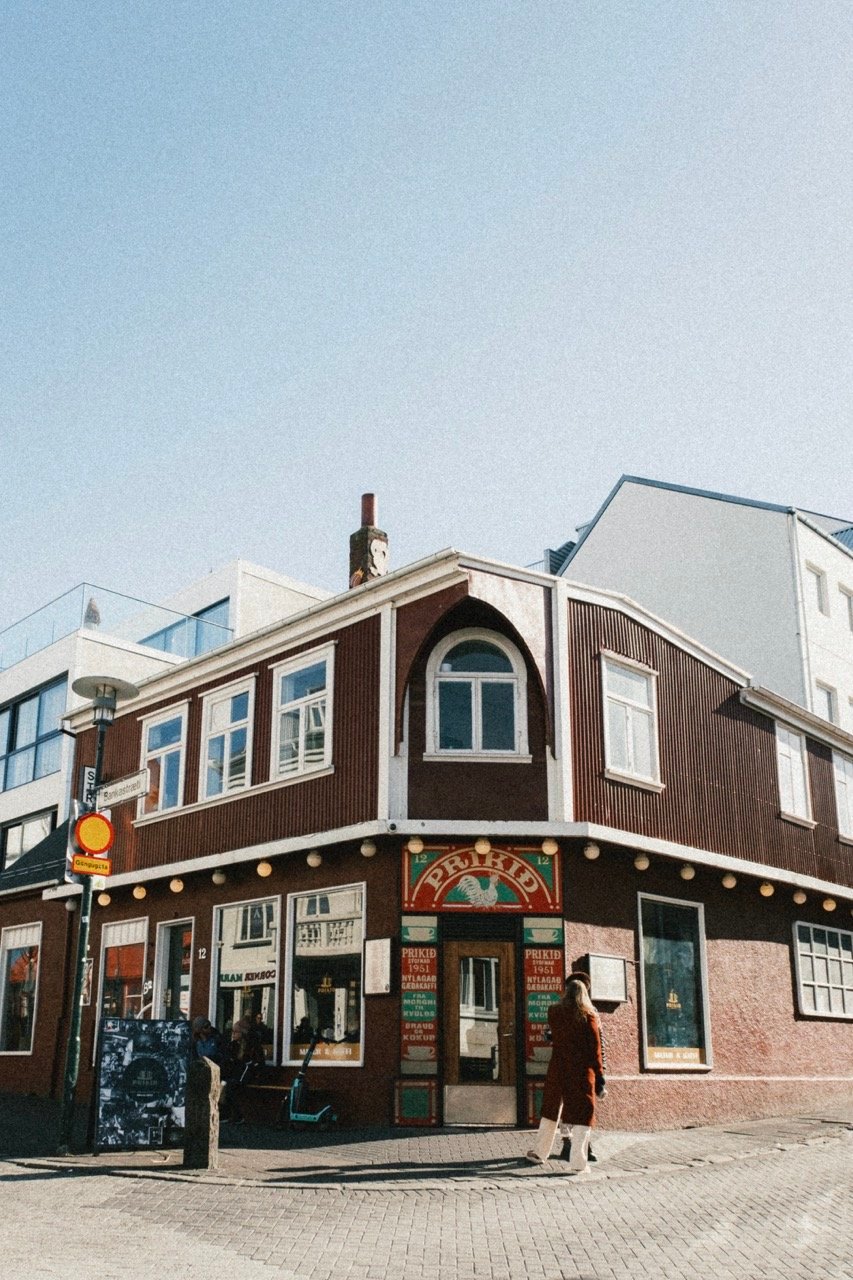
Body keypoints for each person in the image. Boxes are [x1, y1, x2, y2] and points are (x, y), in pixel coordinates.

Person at [526, 976, 605, 1174]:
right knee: (583, 1114)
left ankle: (539, 1152)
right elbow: (594, 1050)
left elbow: (556, 1034)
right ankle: (578, 1163)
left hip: (558, 1068)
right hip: (580, 1071)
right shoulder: (589, 1017)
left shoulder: (554, 1012)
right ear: (584, 994)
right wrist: (600, 1076)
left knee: (551, 1109)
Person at [191, 1016, 244, 1123]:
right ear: (199, 1030)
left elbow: (224, 1056)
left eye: (209, 1025)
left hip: (219, 1071)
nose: (209, 1028)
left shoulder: (217, 1039)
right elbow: (194, 1057)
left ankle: (222, 1114)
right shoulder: (195, 1042)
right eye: (206, 1027)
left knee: (222, 1085)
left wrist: (214, 1063)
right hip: (202, 1071)